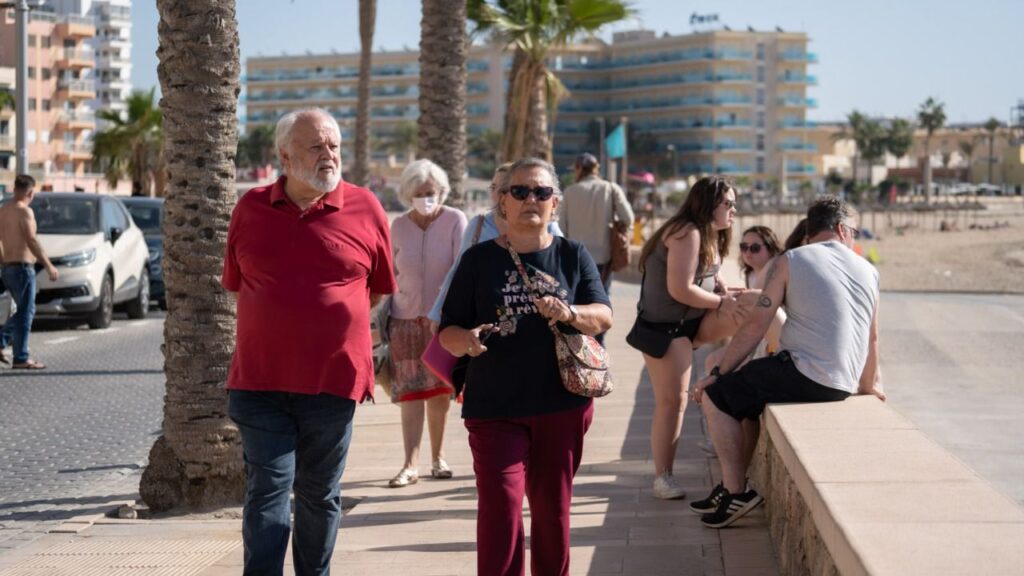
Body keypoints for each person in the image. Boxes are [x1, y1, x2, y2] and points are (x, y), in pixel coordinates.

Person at [222, 108, 396, 575]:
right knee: (269, 488)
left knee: (319, 494)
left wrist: (337, 317)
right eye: (316, 146)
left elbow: (379, 288)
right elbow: (237, 282)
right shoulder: (250, 207)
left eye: (334, 145)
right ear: (284, 154)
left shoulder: (367, 207)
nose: (329, 155)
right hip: (260, 384)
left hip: (333, 382)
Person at [439, 157, 612, 576]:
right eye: (520, 191)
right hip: (493, 406)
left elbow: (603, 315)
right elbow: (447, 332)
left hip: (561, 403)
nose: (530, 199)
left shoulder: (573, 255)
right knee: (500, 508)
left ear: (555, 204)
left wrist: (568, 312)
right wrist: (468, 341)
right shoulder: (478, 261)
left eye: (541, 192)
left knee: (553, 514)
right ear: (503, 202)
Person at [690, 196, 884, 529]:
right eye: (852, 230)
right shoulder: (869, 269)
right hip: (842, 383)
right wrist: (869, 387)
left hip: (805, 374)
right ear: (841, 228)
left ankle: (737, 492)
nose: (853, 236)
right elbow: (871, 338)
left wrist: (719, 373)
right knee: (744, 401)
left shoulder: (791, 260)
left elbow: (757, 324)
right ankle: (728, 487)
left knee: (714, 396)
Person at [630, 176, 758, 500]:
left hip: (690, 324)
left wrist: (725, 291)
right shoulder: (686, 232)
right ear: (708, 203)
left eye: (733, 203)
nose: (733, 209)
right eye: (728, 203)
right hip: (665, 331)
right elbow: (680, 288)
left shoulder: (710, 235)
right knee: (673, 403)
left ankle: (766, 365)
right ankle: (663, 477)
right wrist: (721, 303)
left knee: (758, 304)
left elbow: (707, 279)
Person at [387, 159, 467, 488]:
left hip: (441, 323)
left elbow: (462, 267)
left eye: (431, 192)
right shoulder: (399, 226)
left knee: (438, 393)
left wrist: (443, 312)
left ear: (441, 192)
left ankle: (438, 457)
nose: (425, 198)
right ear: (408, 194)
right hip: (404, 320)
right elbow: (391, 270)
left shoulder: (454, 220)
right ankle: (410, 464)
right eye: (419, 193)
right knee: (409, 394)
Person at [426, 162, 563, 329]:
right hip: (483, 317)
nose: (496, 193)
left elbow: (562, 270)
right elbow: (457, 269)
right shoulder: (479, 224)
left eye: (505, 188)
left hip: (536, 315)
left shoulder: (547, 226)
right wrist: (437, 312)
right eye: (493, 187)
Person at [0, 174, 59, 369]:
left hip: (8, 267)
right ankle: (20, 356)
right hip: (23, 268)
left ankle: (11, 349)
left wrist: (4, 259)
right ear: (31, 192)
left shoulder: (4, 210)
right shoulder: (25, 212)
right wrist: (49, 265)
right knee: (26, 312)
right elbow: (31, 240)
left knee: (24, 311)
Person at [560, 153, 634, 296]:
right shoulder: (611, 188)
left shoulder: (569, 192)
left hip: (576, 258)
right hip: (604, 257)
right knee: (602, 299)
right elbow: (629, 219)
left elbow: (562, 228)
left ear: (580, 168)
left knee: (579, 299)